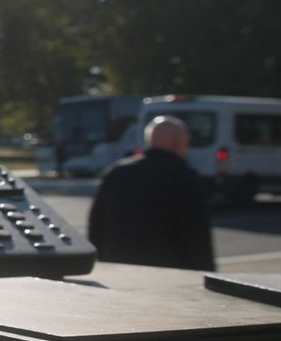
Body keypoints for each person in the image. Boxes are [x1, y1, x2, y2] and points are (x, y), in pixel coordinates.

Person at [87, 115, 215, 270]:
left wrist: (101, 262)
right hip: (169, 271)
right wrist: (205, 272)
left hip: (119, 268)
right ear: (176, 141)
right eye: (187, 139)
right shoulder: (185, 177)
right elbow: (196, 235)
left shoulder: (117, 173)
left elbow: (96, 224)